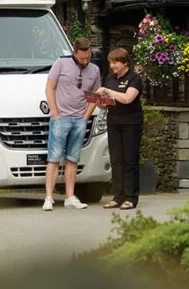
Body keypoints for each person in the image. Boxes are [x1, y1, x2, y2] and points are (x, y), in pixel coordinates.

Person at [43, 37, 100, 211]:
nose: (85, 60)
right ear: (74, 52)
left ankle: (70, 197)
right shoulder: (61, 63)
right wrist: (55, 113)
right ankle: (49, 197)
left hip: (79, 120)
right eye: (82, 57)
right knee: (54, 158)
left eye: (88, 57)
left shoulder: (94, 69)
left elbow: (95, 95)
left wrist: (86, 117)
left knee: (72, 159)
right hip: (61, 118)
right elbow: (50, 87)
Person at [96, 47, 143, 210]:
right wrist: (99, 101)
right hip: (114, 122)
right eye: (111, 63)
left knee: (130, 160)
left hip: (131, 123)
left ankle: (131, 197)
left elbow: (127, 98)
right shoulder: (110, 78)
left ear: (125, 63)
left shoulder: (134, 78)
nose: (112, 66)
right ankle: (118, 196)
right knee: (116, 160)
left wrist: (109, 91)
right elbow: (106, 104)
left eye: (115, 63)